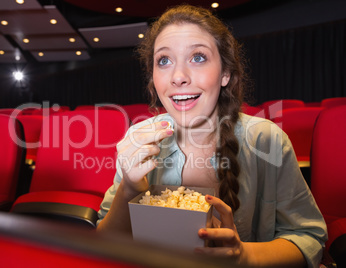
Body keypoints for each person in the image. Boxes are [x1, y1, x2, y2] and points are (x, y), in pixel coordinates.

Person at [96, 4, 327, 267]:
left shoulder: (266, 139)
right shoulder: (140, 139)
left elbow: (308, 237)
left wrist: (245, 256)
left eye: (198, 57)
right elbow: (103, 243)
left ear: (225, 74)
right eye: (164, 61)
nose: (178, 77)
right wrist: (130, 188)